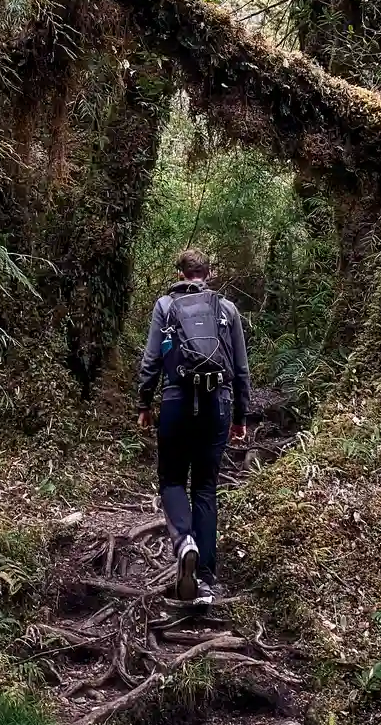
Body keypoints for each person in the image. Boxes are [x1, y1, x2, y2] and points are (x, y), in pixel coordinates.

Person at [137, 249, 250, 604]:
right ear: (209, 273)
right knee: (205, 487)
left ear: (180, 273)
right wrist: (240, 417)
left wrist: (143, 402)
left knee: (171, 479)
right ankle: (206, 581)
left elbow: (152, 359)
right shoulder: (227, 309)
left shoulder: (165, 306)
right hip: (217, 404)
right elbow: (241, 367)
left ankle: (184, 541)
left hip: (175, 402)